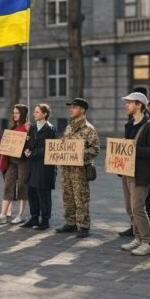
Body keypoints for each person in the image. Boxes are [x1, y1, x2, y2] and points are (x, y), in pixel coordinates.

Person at [119, 92, 150, 256]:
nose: (126, 105)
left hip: (142, 174)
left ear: (139, 104)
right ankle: (138, 238)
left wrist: (134, 149)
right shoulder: (130, 124)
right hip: (127, 171)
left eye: (129, 103)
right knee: (130, 208)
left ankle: (148, 242)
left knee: (138, 208)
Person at [56, 98, 100, 238]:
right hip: (66, 169)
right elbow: (64, 144)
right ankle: (71, 223)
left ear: (82, 110)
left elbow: (95, 149)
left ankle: (83, 226)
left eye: (74, 107)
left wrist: (79, 155)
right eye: (71, 107)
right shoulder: (69, 127)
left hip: (80, 170)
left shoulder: (88, 129)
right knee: (67, 196)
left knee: (81, 197)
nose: (71, 109)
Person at [0, 104, 30, 225]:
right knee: (8, 185)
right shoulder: (13, 128)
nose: (14, 115)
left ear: (23, 114)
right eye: (13, 113)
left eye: (17, 113)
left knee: (22, 187)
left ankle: (20, 215)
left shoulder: (28, 127)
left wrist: (29, 133)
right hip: (11, 161)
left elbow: (31, 144)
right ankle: (3, 214)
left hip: (23, 161)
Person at [22, 104, 57, 231]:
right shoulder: (31, 127)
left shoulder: (50, 129)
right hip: (31, 165)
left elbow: (50, 148)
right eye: (34, 112)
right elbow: (28, 143)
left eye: (37, 112)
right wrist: (26, 150)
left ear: (44, 114)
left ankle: (45, 220)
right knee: (31, 192)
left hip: (44, 166)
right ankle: (34, 217)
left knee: (43, 193)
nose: (34, 114)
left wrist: (33, 153)